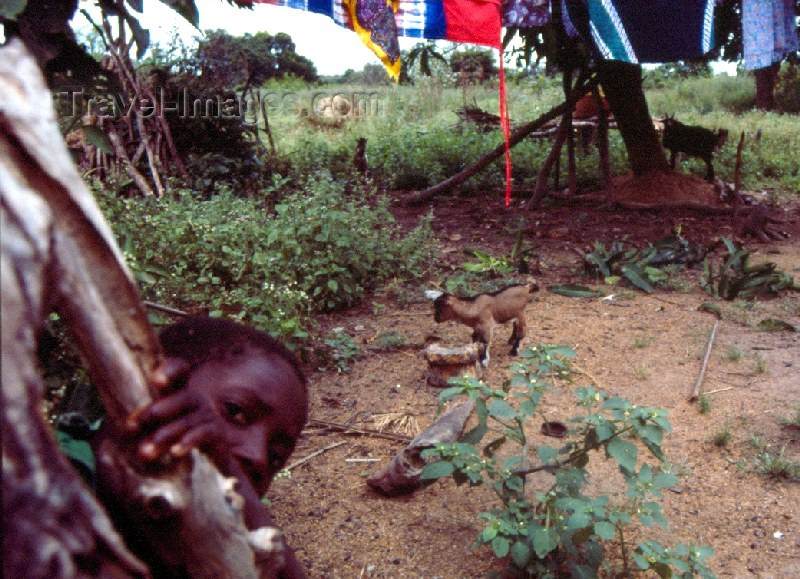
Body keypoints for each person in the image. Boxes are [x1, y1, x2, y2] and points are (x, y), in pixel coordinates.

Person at [102, 316, 309, 577]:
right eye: (235, 412)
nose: (258, 457)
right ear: (161, 384)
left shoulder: (214, 552)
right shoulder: (65, 478)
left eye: (276, 457)